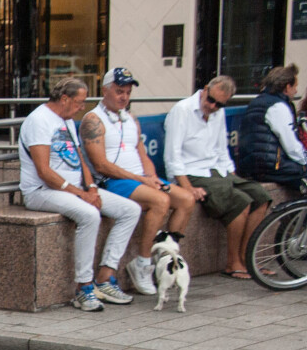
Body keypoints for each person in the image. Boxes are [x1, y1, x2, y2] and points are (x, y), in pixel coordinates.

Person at [19, 77, 140, 311]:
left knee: (130, 210)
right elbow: (44, 171)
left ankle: (105, 277)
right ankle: (83, 288)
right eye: (79, 102)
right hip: (41, 191)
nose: (82, 107)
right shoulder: (39, 120)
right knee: (90, 215)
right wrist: (80, 194)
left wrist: (91, 187)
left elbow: (80, 158)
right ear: (64, 99)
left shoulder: (66, 119)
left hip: (74, 190)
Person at [80, 67, 196, 295]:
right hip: (113, 181)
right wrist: (141, 179)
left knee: (186, 199)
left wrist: (151, 177)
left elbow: (143, 155)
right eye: (119, 91)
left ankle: (165, 260)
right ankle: (143, 264)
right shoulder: (93, 119)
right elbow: (101, 165)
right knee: (161, 201)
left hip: (139, 179)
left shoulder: (130, 118)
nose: (123, 97)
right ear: (105, 90)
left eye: (127, 93)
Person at [165, 75, 271, 279]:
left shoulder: (217, 113)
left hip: (216, 170)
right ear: (205, 90)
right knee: (240, 201)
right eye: (211, 100)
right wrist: (187, 186)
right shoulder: (183, 110)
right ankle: (233, 263)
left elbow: (222, 150)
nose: (213, 106)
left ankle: (246, 258)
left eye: (219, 104)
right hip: (192, 172)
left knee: (260, 196)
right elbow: (173, 155)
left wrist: (232, 175)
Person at [236, 64, 306, 191]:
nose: (296, 91)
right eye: (295, 86)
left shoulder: (259, 102)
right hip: (270, 166)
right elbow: (291, 146)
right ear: (287, 86)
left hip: (251, 165)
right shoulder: (278, 107)